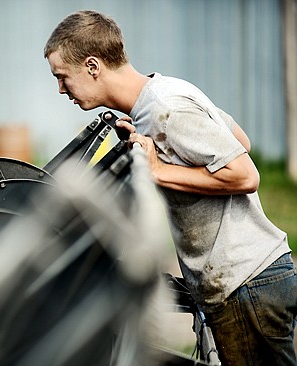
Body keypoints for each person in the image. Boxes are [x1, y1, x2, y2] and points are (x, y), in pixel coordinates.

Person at [44, 10, 297, 365]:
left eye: (62, 77)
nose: (60, 89)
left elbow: (244, 174)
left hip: (245, 284)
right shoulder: (162, 94)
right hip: (250, 282)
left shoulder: (165, 107)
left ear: (92, 66)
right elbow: (239, 139)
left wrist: (159, 170)